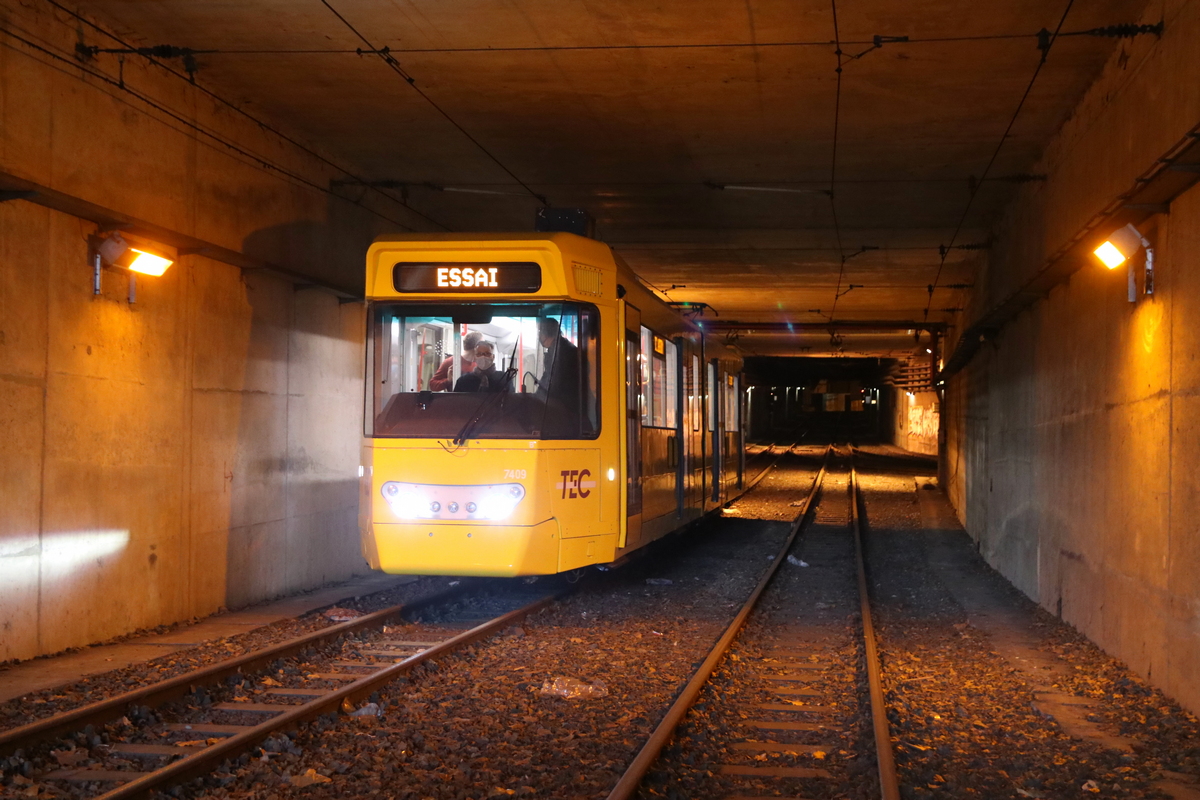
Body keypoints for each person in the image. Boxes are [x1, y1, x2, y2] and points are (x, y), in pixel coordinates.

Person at [535, 318, 580, 435]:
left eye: (539, 331)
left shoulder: (558, 351)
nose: (538, 335)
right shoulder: (564, 346)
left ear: (546, 332)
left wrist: (536, 397)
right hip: (571, 407)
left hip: (564, 409)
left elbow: (551, 381)